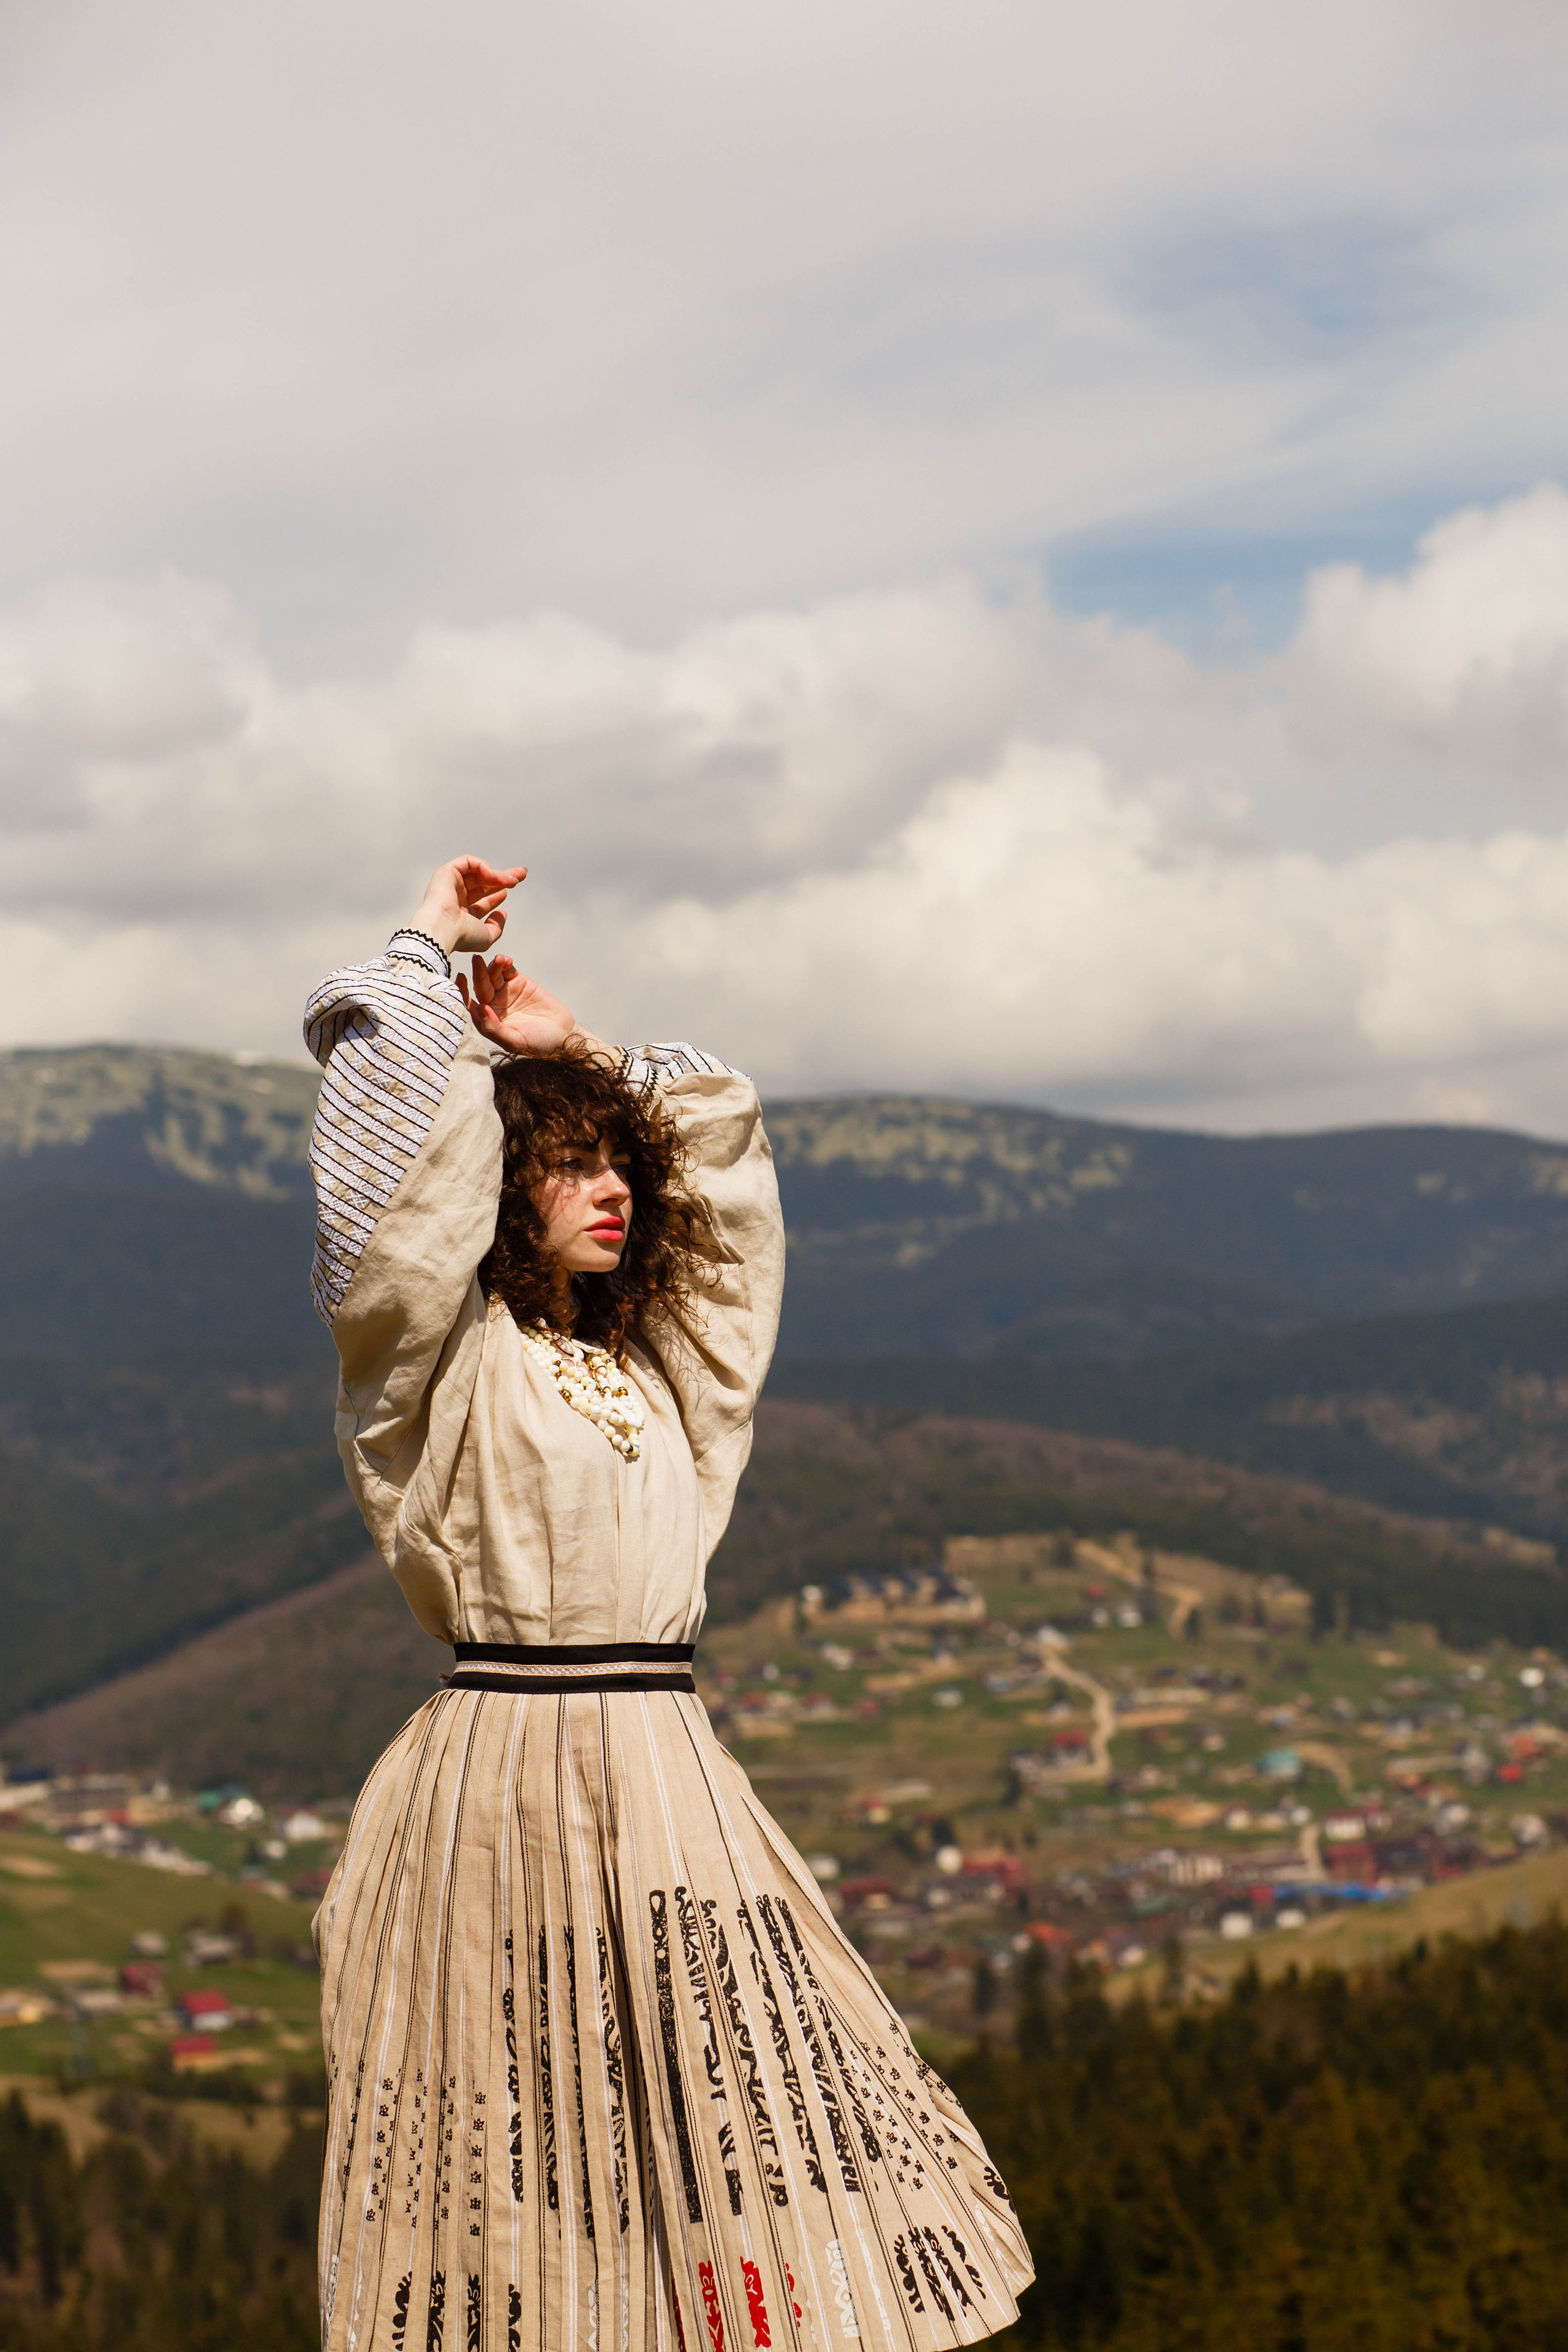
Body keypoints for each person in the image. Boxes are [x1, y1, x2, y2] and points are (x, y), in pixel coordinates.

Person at [304, 855, 1033, 2352]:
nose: (614, 1189)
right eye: (572, 1164)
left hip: (668, 1776)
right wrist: (426, 949)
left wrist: (578, 1058)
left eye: (615, 1165)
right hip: (494, 1788)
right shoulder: (439, 1365)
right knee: (513, 2154)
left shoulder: (666, 1376)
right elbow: (387, 1211)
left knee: (737, 2124)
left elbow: (721, 1179)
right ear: (501, 1196)